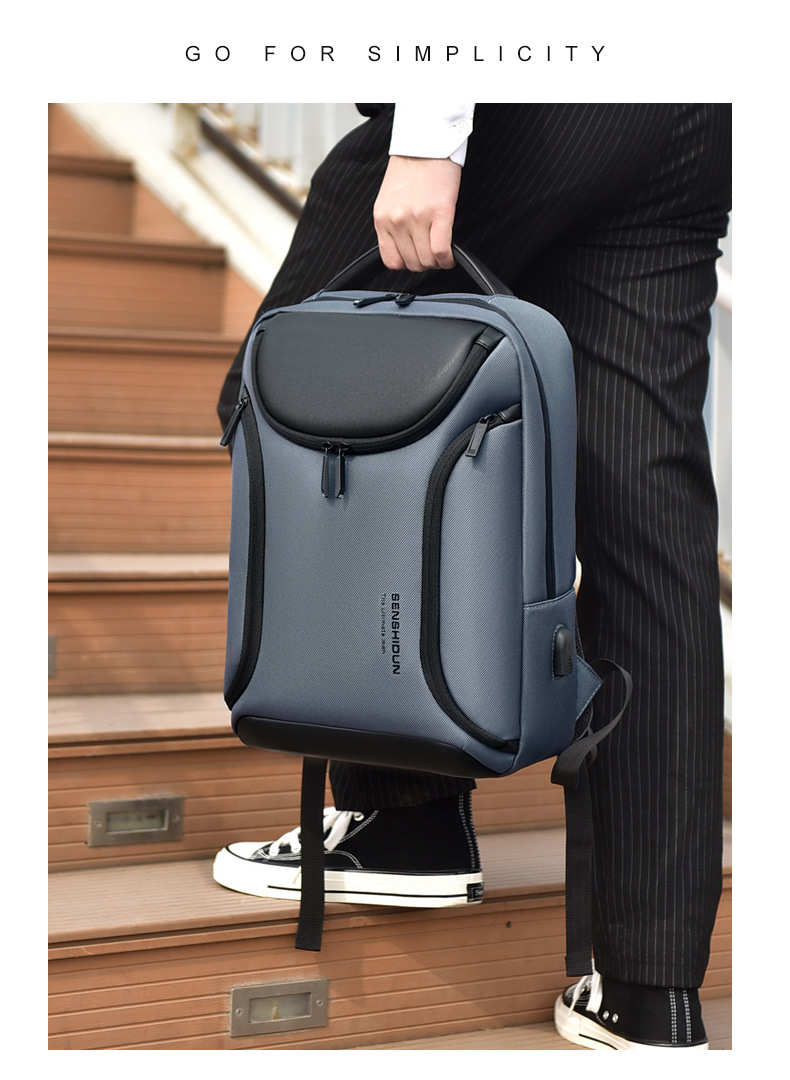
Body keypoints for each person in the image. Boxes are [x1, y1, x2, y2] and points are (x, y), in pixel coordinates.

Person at [213, 103, 732, 1050]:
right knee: (646, 522)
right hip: (691, 115)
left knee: (295, 383)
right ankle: (649, 990)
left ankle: (402, 817)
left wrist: (426, 140)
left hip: (529, 97)